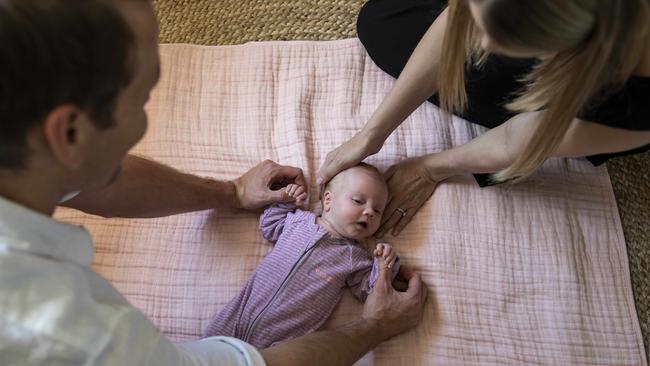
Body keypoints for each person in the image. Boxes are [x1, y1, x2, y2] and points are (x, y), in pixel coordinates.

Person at [0, 1, 427, 365]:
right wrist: (373, 327)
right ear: (70, 133)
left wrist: (233, 192)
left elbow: (90, 180)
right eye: (143, 99)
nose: (147, 121)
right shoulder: (74, 336)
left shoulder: (352, 257)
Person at [317, 0, 650, 238]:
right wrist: (372, 134)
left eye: (510, 37)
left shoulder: (630, 105)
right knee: (381, 19)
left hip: (611, 99)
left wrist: (430, 168)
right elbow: (456, 29)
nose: (484, 44)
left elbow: (518, 140)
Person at [204, 164, 402, 348]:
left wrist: (384, 264)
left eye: (378, 210)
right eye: (358, 201)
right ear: (328, 200)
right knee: (210, 351)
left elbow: (368, 291)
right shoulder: (299, 221)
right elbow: (269, 227)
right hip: (237, 316)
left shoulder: (354, 257)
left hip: (283, 341)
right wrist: (285, 203)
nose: (369, 212)